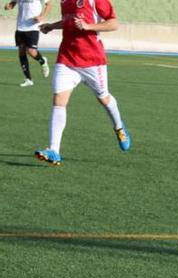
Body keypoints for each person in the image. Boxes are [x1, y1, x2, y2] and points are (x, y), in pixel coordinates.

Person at [34, 0, 130, 167]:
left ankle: (119, 127)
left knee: (104, 98)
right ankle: (54, 150)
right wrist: (52, 26)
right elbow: (69, 21)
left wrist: (88, 26)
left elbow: (114, 23)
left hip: (92, 61)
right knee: (58, 101)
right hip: (67, 59)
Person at [5, 0, 51, 87]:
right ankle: (28, 79)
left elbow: (49, 5)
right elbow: (12, 4)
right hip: (20, 27)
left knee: (31, 51)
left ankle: (43, 61)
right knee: (21, 52)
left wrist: (42, 17)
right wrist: (8, 7)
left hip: (33, 27)